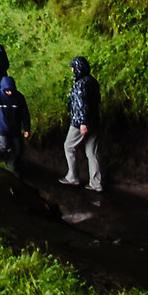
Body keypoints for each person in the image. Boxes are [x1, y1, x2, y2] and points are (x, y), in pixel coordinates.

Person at [61, 56, 104, 194]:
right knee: (92, 152)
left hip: (80, 122)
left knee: (68, 146)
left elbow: (81, 105)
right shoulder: (92, 81)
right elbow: (96, 101)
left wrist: (83, 123)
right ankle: (96, 184)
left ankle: (72, 177)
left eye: (73, 67)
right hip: (94, 121)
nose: (72, 70)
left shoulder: (81, 84)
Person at [0, 75, 31, 168]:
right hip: (2, 127)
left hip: (15, 128)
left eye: (11, 90)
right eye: (7, 90)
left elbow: (25, 114)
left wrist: (27, 128)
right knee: (4, 145)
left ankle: (12, 166)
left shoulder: (19, 97)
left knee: (18, 149)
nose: (10, 92)